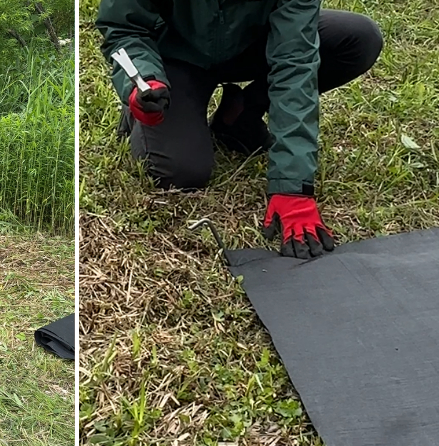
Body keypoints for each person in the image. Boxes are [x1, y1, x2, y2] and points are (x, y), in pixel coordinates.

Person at [96, 1, 383, 258]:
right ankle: (145, 105)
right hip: (175, 53)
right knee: (178, 170)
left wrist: (293, 186)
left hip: (252, 42)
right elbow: (123, 28)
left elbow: (296, 64)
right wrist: (143, 80)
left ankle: (240, 117)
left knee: (357, 38)